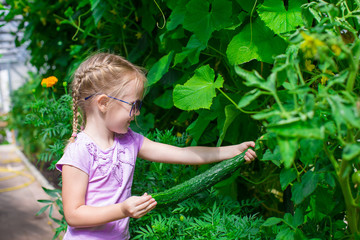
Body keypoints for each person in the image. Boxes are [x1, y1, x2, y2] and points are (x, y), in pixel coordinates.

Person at [56, 52, 257, 240]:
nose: (137, 113)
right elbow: (74, 214)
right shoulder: (80, 151)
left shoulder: (129, 141)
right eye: (134, 105)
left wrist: (231, 151)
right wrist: (122, 210)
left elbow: (184, 154)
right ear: (103, 103)